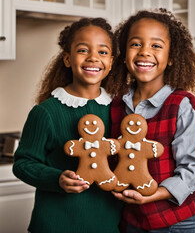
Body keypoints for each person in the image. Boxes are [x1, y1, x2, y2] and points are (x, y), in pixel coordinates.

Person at [12, 17, 122, 233]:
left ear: (111, 62)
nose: (93, 58)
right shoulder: (46, 112)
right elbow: (23, 163)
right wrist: (57, 179)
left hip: (108, 225)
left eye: (102, 52)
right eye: (83, 50)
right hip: (56, 225)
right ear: (67, 59)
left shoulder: (120, 109)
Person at [107, 8, 195, 233]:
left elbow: (193, 170)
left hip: (179, 223)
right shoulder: (115, 104)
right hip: (131, 221)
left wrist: (155, 193)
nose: (144, 52)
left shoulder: (181, 104)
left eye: (156, 46)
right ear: (123, 54)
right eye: (135, 44)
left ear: (171, 57)